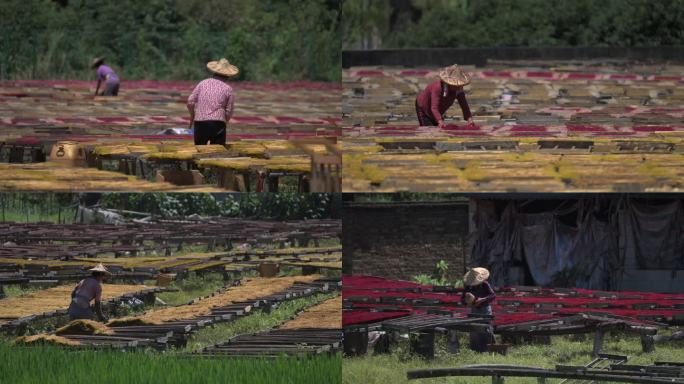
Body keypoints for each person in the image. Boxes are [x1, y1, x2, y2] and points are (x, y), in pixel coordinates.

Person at [187, 58, 238, 145]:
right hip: (217, 123)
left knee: (200, 149)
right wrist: (223, 122)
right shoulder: (228, 89)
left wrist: (193, 115)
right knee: (217, 152)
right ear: (228, 76)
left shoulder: (203, 83)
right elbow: (229, 112)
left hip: (200, 123)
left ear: (214, 73)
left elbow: (190, 101)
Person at [461, 267, 496, 352]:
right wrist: (468, 302)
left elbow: (493, 296)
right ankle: (476, 349)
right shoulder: (468, 287)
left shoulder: (485, 284)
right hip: (474, 310)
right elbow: (462, 300)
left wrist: (482, 299)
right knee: (475, 328)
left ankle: (490, 348)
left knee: (486, 328)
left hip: (485, 309)